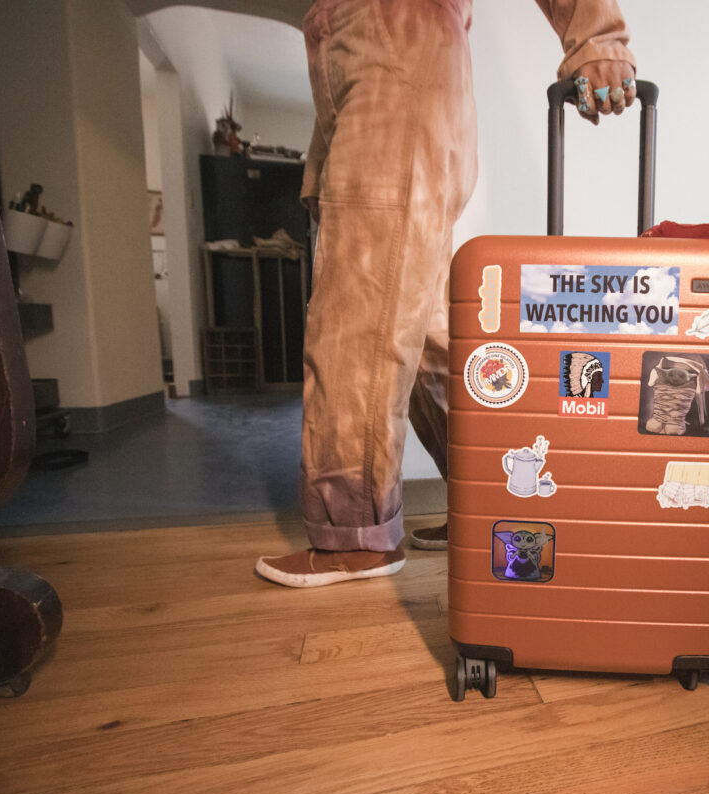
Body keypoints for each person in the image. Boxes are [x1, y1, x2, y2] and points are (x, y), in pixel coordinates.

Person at [256, 0, 638, 587]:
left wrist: (597, 37)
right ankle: (493, 501)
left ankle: (354, 538)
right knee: (419, 322)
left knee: (360, 311)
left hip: (395, 51)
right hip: (372, 61)